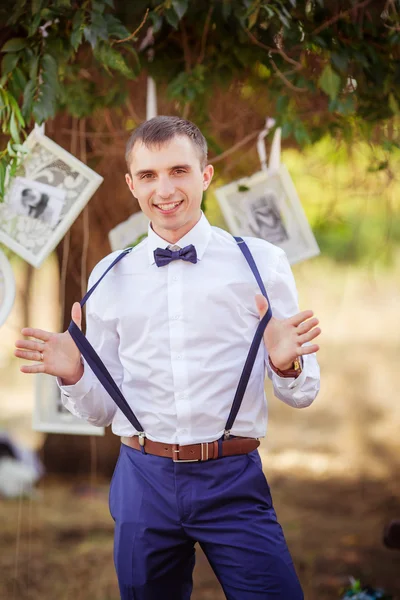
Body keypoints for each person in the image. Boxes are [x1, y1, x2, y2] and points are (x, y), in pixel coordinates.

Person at [14, 116, 321, 599]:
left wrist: (286, 364)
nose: (165, 189)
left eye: (179, 171)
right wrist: (74, 373)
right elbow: (100, 408)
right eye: (150, 175)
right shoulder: (109, 274)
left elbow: (303, 394)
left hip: (232, 477)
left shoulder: (260, 263)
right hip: (143, 480)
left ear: (206, 175)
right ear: (131, 184)